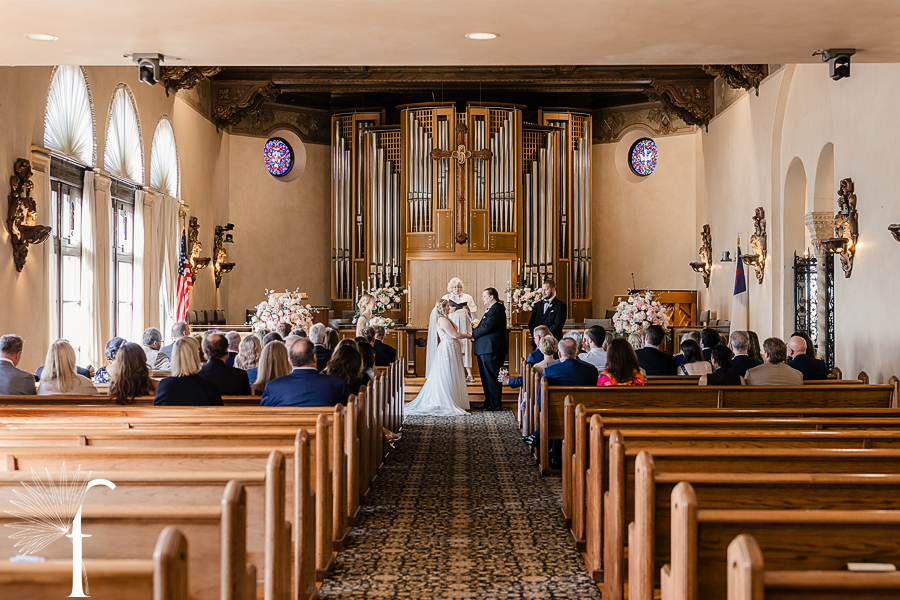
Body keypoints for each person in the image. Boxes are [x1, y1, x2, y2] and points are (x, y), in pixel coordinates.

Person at [405, 299, 472, 416]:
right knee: (447, 373)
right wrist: (468, 335)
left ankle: (455, 399)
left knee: (452, 373)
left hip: (452, 348)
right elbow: (454, 335)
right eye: (447, 306)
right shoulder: (443, 320)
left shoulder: (445, 319)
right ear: (442, 308)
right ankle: (446, 400)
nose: (449, 307)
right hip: (448, 349)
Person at [260, 338, 346, 407]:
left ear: (290, 360)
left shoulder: (273, 387)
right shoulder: (337, 384)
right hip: (326, 428)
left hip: (287, 429)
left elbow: (263, 417)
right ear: (315, 358)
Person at [154, 337, 223, 406]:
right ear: (195, 356)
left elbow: (156, 411)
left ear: (174, 357)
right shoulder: (209, 387)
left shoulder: (163, 385)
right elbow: (219, 412)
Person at [472, 288, 508, 412]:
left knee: (491, 376)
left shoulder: (497, 309)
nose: (482, 299)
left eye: (484, 296)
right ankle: (489, 401)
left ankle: (496, 403)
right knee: (485, 377)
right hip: (485, 348)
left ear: (491, 297)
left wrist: (473, 334)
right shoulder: (492, 309)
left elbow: (487, 327)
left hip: (492, 348)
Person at [443, 277, 478, 382]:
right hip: (452, 328)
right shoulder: (446, 297)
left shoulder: (468, 297)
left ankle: (469, 374)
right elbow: (440, 312)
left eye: (459, 287)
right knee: (453, 349)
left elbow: (474, 314)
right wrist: (449, 311)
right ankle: (453, 375)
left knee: (466, 349)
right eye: (454, 287)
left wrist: (468, 310)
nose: (457, 289)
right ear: (451, 288)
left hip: (464, 327)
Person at [528, 279, 567, 344]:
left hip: (553, 341)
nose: (543, 292)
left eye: (546, 290)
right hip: (538, 342)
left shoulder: (560, 306)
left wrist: (544, 336)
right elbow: (531, 323)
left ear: (553, 289)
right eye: (542, 290)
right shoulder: (537, 305)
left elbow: (557, 325)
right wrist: (536, 337)